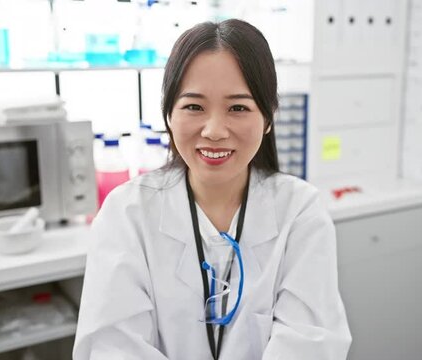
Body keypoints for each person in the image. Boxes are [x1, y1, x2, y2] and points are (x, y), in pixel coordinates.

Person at [73, 19, 351, 360]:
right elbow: (112, 347)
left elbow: (310, 343)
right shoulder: (127, 212)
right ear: (168, 115)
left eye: (238, 107)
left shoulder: (300, 211)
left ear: (268, 118)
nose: (215, 130)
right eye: (194, 106)